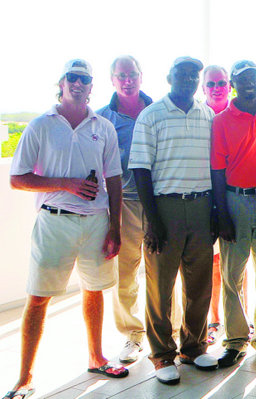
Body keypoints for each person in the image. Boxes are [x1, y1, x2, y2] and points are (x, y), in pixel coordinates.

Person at [6, 59, 129, 399]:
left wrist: (115, 227)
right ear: (61, 83)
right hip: (54, 221)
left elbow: (114, 179)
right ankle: (24, 377)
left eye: (84, 79)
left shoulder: (103, 126)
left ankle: (96, 357)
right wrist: (67, 184)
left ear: (92, 86)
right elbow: (17, 179)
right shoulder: (40, 125)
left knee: (94, 290)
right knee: (38, 298)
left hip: (96, 222)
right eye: (72, 77)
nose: (78, 83)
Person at [129, 56, 218, 384]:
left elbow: (215, 167)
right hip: (164, 208)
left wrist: (214, 212)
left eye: (194, 75)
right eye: (182, 74)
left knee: (199, 284)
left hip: (201, 206)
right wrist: (152, 221)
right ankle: (163, 354)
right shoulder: (151, 115)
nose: (188, 79)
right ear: (169, 77)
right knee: (160, 286)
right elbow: (141, 169)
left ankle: (193, 347)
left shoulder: (207, 115)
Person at [96, 55, 170, 364]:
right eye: (121, 76)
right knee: (125, 273)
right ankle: (133, 334)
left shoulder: (159, 111)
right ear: (112, 80)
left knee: (162, 272)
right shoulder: (102, 118)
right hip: (123, 203)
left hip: (159, 202)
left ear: (141, 76)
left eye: (132, 75)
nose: (127, 81)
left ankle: (168, 332)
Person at [210, 60, 256, 368]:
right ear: (233, 84)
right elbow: (217, 169)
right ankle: (236, 340)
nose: (249, 82)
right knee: (232, 274)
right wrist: (221, 213)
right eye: (242, 79)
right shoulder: (221, 120)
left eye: (253, 77)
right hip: (235, 200)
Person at [202, 64, 231, 345]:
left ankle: (241, 318)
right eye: (211, 84)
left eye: (221, 83)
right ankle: (214, 319)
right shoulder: (199, 116)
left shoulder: (236, 113)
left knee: (235, 264)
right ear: (203, 88)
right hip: (205, 198)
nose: (216, 88)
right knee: (212, 263)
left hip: (235, 196)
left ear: (229, 86)